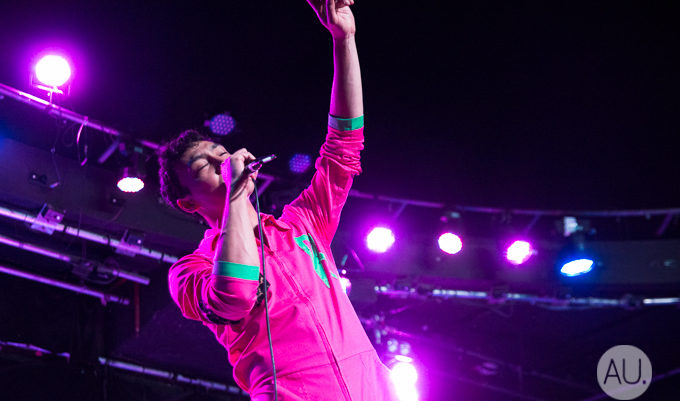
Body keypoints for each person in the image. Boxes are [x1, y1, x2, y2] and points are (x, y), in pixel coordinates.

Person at [157, 1, 396, 400]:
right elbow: (235, 296)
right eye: (204, 166)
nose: (222, 162)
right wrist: (236, 193)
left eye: (221, 152)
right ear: (188, 203)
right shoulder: (189, 272)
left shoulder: (301, 224)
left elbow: (344, 146)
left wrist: (344, 40)